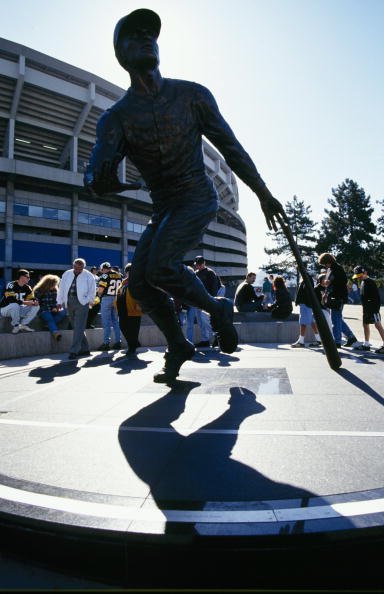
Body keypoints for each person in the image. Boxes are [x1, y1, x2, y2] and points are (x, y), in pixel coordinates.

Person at [84, 8, 286, 383]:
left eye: (151, 33)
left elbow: (231, 147)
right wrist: (107, 177)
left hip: (196, 195)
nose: (146, 37)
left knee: (161, 268)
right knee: (141, 283)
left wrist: (263, 193)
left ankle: (218, 309)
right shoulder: (117, 118)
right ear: (121, 54)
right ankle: (178, 344)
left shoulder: (191, 95)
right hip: (164, 206)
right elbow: (97, 177)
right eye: (135, 35)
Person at [57, 258, 96, 359]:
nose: (79, 270)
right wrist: (59, 301)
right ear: (73, 266)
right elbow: (61, 288)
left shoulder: (89, 275)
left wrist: (87, 300)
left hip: (82, 303)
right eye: (77, 268)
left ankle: (74, 351)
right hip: (69, 302)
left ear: (84, 267)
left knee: (78, 327)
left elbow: (93, 291)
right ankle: (85, 348)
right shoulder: (67, 274)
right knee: (76, 327)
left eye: (81, 269)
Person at [317, 253, 358, 348]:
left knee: (335, 319)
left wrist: (330, 282)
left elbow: (343, 282)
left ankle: (337, 341)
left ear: (328, 261)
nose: (324, 265)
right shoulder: (330, 269)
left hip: (338, 297)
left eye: (325, 263)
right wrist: (326, 293)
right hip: (334, 296)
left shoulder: (338, 268)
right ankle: (351, 337)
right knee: (338, 318)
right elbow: (329, 283)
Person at [352, 266, 384, 354]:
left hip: (373, 309)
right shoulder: (363, 282)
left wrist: (375, 310)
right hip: (366, 309)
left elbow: (376, 298)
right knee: (365, 324)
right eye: (358, 276)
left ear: (365, 272)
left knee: (378, 325)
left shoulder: (371, 282)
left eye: (360, 275)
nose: (359, 277)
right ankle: (366, 344)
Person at [193, 256, 221, 348]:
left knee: (205, 319)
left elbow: (215, 287)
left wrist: (211, 299)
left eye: (200, 264)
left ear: (204, 263)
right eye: (197, 264)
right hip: (198, 301)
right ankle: (205, 340)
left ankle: (217, 336)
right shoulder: (195, 273)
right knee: (200, 322)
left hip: (207, 300)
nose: (199, 266)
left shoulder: (210, 273)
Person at [0, 269, 39, 333]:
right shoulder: (11, 285)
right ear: (21, 277)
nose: (29, 279)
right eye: (27, 277)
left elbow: (32, 298)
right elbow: (11, 300)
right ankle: (16, 325)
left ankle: (23, 324)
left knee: (36, 306)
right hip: (5, 309)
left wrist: (35, 301)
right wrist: (25, 302)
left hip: (18, 309)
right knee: (15, 305)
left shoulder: (27, 287)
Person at [115, 263, 142, 356]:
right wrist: (115, 304)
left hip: (134, 309)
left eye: (132, 272)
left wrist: (139, 304)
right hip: (122, 309)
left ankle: (132, 348)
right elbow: (119, 294)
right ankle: (134, 343)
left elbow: (142, 295)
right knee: (123, 327)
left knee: (133, 330)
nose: (129, 273)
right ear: (126, 272)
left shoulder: (138, 282)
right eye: (128, 272)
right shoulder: (123, 282)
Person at [97, 262, 123, 351]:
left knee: (106, 322)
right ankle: (118, 342)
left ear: (103, 269)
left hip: (107, 298)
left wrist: (98, 296)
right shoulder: (119, 275)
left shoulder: (104, 276)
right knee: (116, 321)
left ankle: (106, 343)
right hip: (116, 299)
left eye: (102, 270)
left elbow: (101, 290)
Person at [34, 274, 67, 341]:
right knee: (49, 317)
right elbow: (37, 303)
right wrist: (51, 309)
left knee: (64, 312)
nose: (55, 286)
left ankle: (48, 325)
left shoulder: (55, 290)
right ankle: (56, 333)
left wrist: (56, 307)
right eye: (54, 284)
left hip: (53, 309)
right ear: (48, 284)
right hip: (43, 310)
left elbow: (58, 301)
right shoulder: (38, 290)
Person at [291, 276, 321, 348]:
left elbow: (306, 292)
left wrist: (301, 301)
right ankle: (318, 339)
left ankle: (301, 342)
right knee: (312, 322)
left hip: (305, 304)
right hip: (307, 304)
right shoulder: (308, 278)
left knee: (303, 323)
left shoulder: (306, 279)